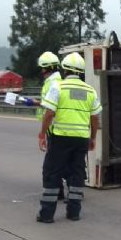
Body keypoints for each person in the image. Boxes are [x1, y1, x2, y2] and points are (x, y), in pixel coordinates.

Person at [36, 52, 100, 223]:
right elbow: (95, 118)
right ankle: (74, 212)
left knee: (52, 172)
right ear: (80, 71)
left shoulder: (58, 87)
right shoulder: (90, 90)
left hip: (60, 138)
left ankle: (47, 214)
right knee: (77, 173)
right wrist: (92, 138)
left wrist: (43, 134)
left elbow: (49, 113)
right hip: (81, 139)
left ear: (64, 70)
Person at [27, 51, 66, 200]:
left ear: (47, 68)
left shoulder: (52, 83)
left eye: (42, 68)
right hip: (58, 127)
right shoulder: (58, 81)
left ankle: (54, 193)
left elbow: (50, 109)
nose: (41, 72)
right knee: (61, 162)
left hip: (53, 128)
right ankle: (61, 191)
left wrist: (35, 102)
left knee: (51, 165)